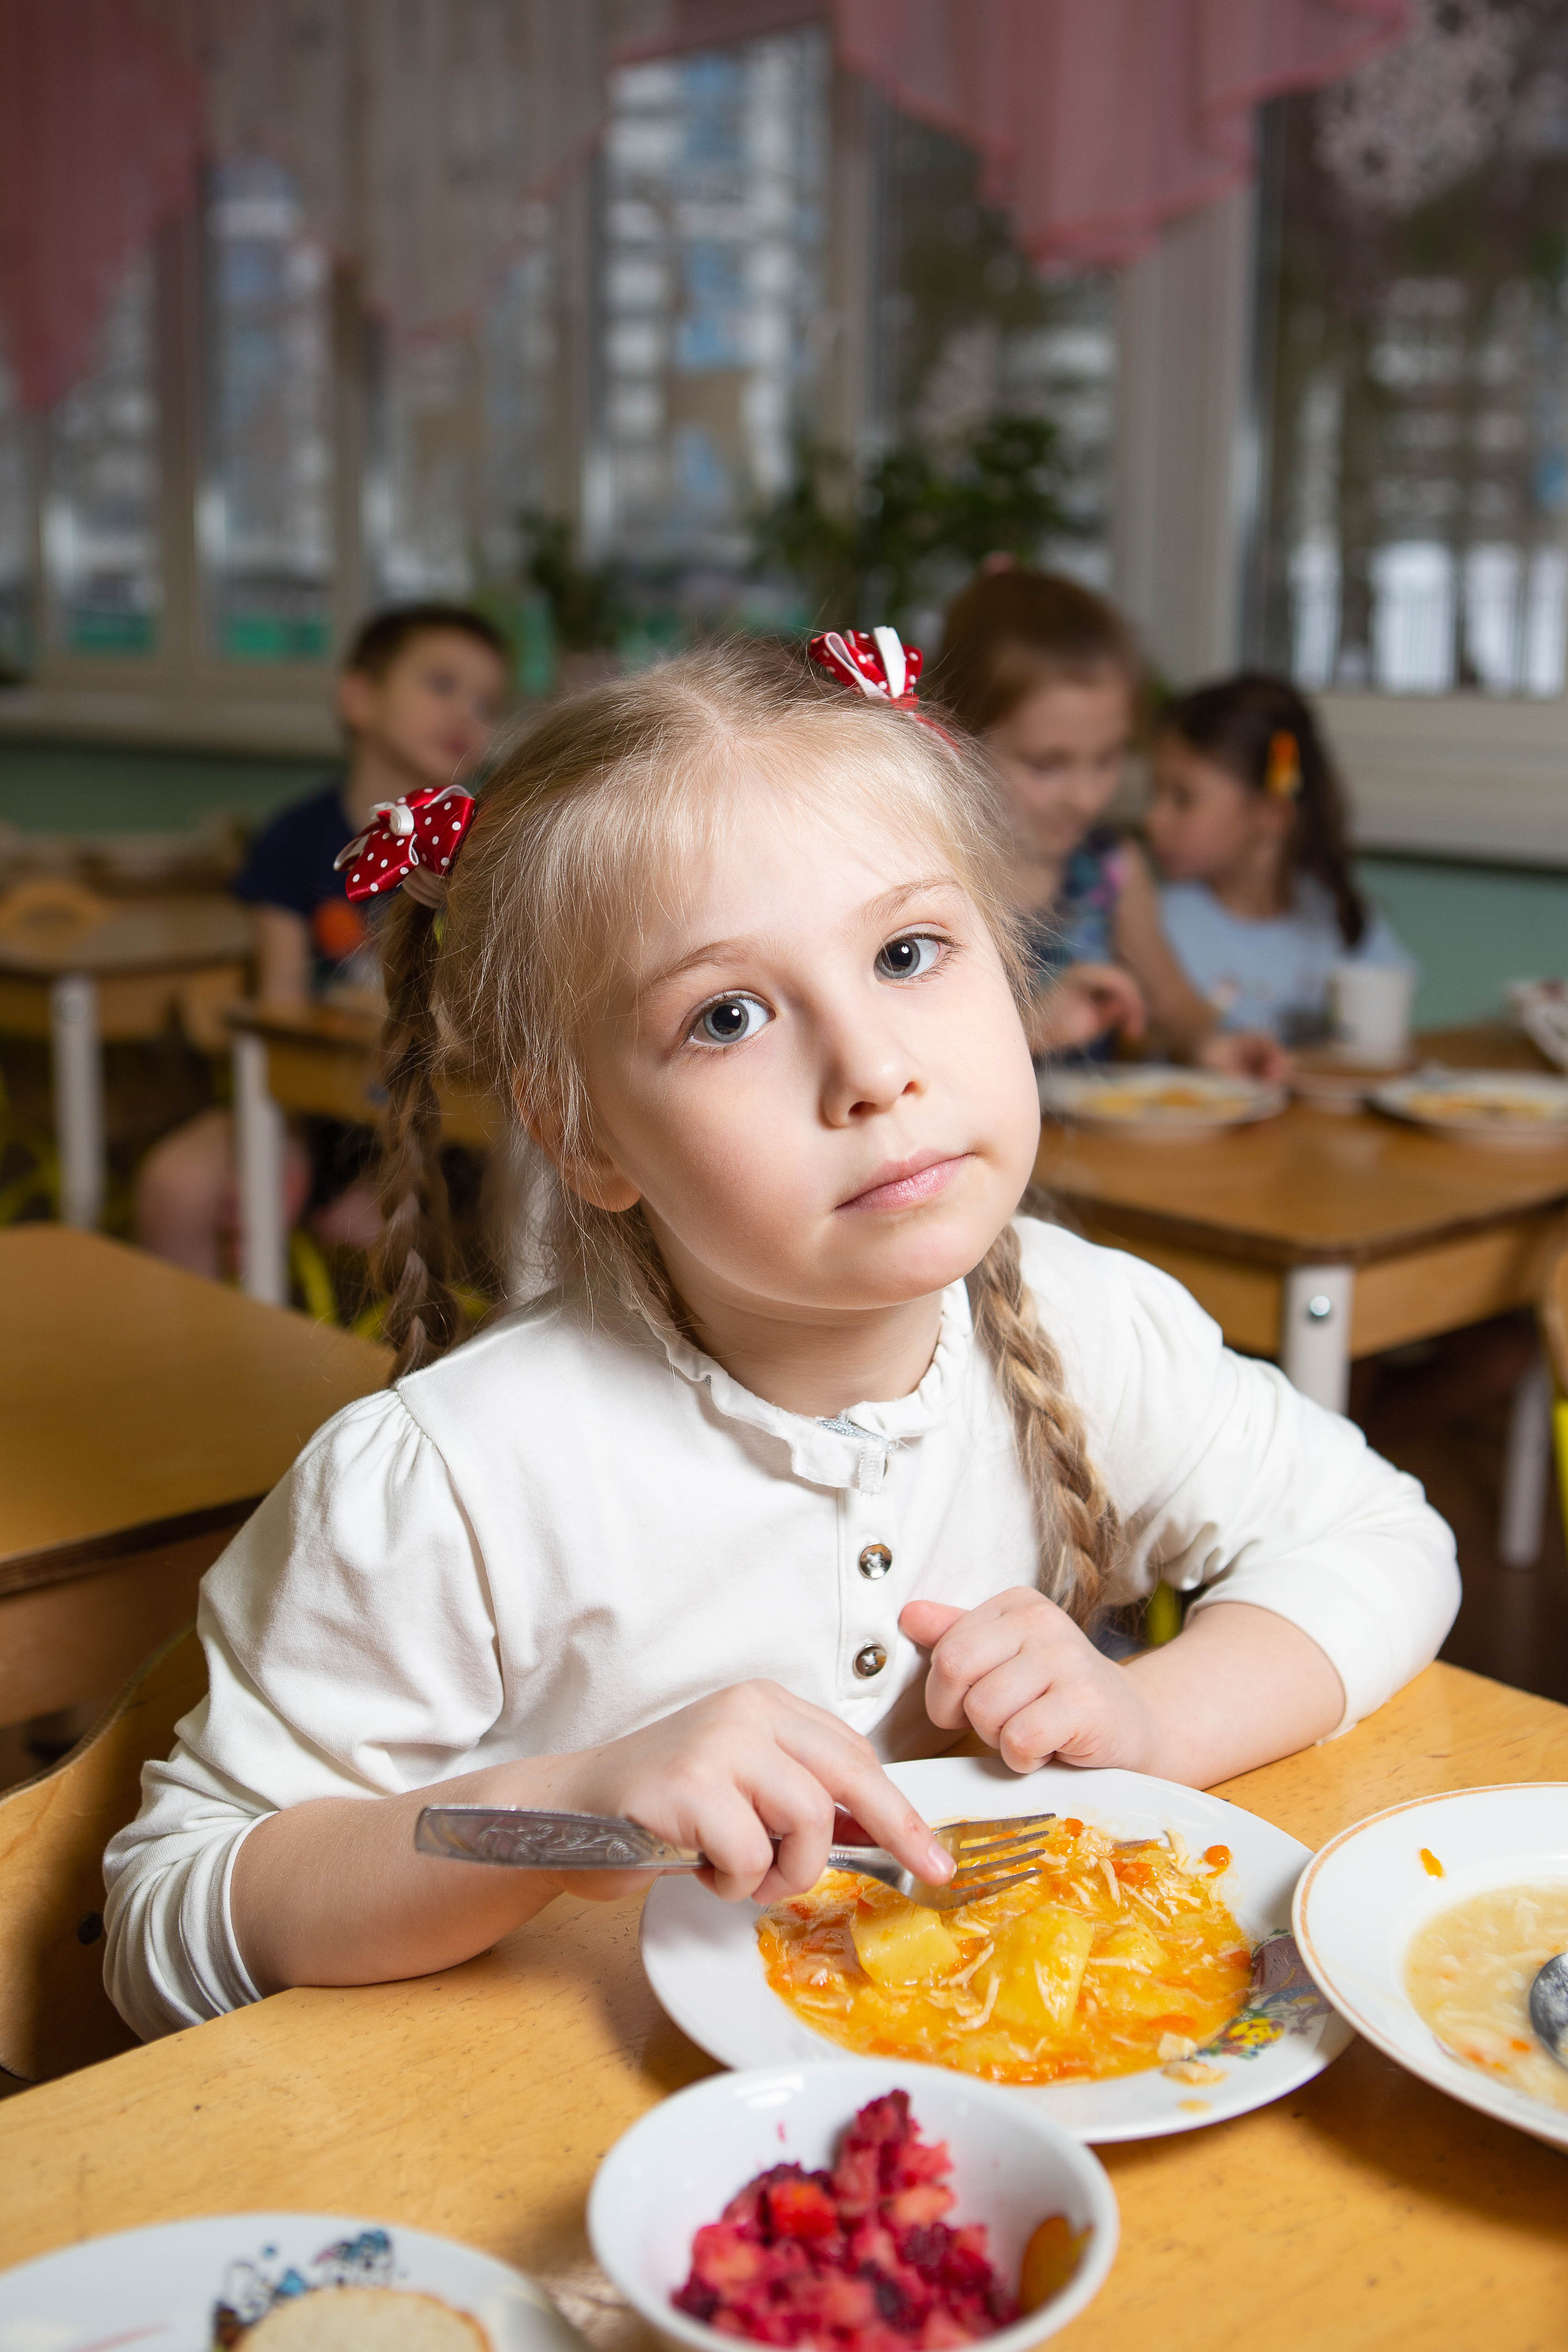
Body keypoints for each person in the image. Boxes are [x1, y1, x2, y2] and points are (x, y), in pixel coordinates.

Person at [104, 635, 1457, 2041]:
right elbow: (169, 1919)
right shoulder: (454, 1477)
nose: (874, 1068)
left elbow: (1381, 1540)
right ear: (585, 1132)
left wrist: (1152, 1719)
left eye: (906, 951)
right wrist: (562, 1805)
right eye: (727, 1015)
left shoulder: (1083, 1319)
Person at [133, 604, 509, 1278]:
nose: (466, 715)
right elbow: (279, 1005)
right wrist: (284, 1137)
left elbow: (498, 1035)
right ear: (360, 699)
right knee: (174, 1187)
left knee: (403, 1226)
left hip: (453, 1124)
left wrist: (411, 1165)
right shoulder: (292, 840)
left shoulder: (488, 852)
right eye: (442, 685)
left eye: (486, 702)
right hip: (310, 1102)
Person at [934, 567, 1284, 1073]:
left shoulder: (1110, 870)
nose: (1085, 796)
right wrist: (1029, 1026)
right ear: (954, 735)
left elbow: (1175, 1009)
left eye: (1107, 760)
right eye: (1047, 764)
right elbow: (896, 1054)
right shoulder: (925, 878)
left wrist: (1213, 1047)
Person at [1147, 672, 1415, 1046]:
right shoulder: (1153, 922)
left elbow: (1387, 1013)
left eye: (1183, 799)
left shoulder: (1341, 916)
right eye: (1155, 795)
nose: (1154, 819)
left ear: (1272, 813)